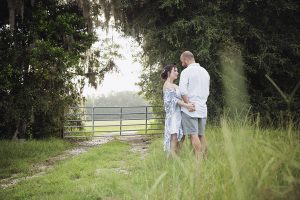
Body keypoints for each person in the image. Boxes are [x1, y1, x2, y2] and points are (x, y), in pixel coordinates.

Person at [179, 51, 210, 159]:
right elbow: (207, 91)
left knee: (194, 135)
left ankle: (198, 160)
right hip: (202, 107)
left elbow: (182, 91)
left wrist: (188, 104)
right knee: (201, 135)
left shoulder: (186, 72)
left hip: (190, 109)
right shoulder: (205, 72)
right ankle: (206, 159)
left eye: (182, 62)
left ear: (186, 60)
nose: (182, 64)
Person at [161, 64, 195, 155]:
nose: (177, 72)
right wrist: (187, 105)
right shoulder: (167, 85)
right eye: (175, 71)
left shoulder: (175, 85)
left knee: (181, 137)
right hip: (173, 115)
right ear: (169, 73)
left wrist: (190, 103)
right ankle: (171, 159)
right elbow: (174, 100)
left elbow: (183, 96)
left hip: (179, 114)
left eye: (177, 71)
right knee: (174, 137)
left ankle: (177, 157)